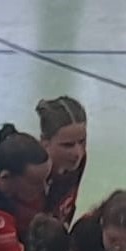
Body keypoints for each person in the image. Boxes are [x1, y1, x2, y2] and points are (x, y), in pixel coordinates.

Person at [36, 96, 88, 225]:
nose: (77, 153)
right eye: (67, 145)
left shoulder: (78, 161)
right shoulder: (32, 171)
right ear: (44, 142)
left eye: (82, 141)